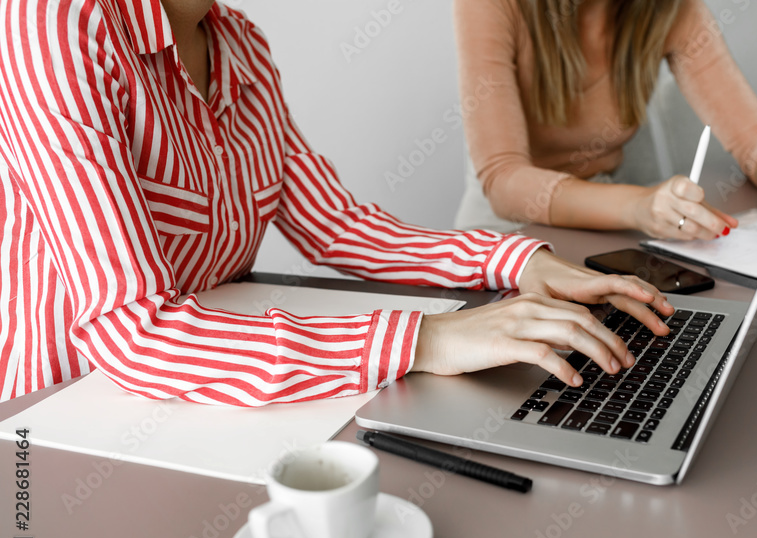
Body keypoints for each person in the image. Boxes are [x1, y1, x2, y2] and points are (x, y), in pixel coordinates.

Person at [0, 0, 674, 407]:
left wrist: (513, 259)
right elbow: (132, 329)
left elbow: (338, 227)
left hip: (213, 402)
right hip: (60, 415)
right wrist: (425, 338)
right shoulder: (52, 25)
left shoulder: (240, 44)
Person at [453, 0, 757, 237]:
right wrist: (638, 206)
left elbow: (751, 133)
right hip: (506, 224)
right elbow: (504, 180)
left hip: (606, 208)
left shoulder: (666, 8)